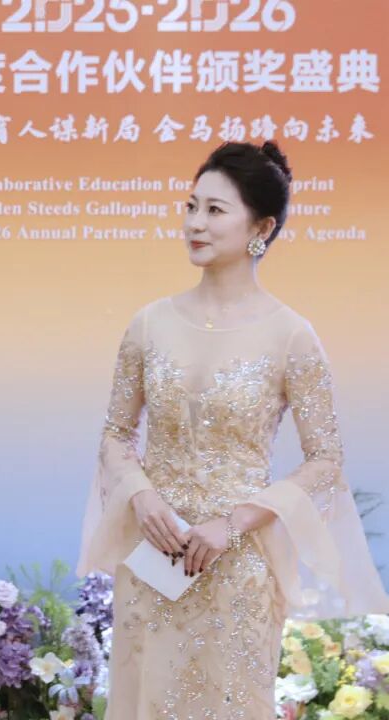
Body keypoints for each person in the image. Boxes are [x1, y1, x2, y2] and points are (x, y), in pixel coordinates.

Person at [77, 141, 389, 718]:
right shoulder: (149, 324)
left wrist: (235, 522)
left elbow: (325, 459)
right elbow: (116, 434)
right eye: (191, 206)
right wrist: (141, 496)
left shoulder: (292, 335)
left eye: (215, 210)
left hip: (238, 566)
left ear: (261, 228)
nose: (195, 223)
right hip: (155, 557)